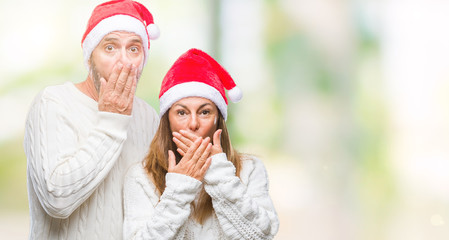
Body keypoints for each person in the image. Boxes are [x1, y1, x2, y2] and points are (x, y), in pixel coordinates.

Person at [23, 0, 160, 239]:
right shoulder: (53, 102)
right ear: (90, 57)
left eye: (134, 49)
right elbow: (56, 199)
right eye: (110, 48)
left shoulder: (149, 116)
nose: (124, 62)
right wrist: (112, 121)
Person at [123, 48, 279, 239]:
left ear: (218, 120)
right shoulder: (140, 177)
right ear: (167, 120)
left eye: (205, 112)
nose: (193, 123)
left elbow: (262, 236)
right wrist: (179, 189)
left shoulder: (250, 169)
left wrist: (219, 174)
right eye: (182, 112)